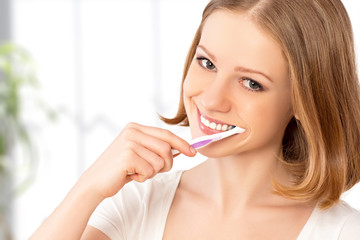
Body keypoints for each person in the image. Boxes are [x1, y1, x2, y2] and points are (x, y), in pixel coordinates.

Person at [30, 0, 360, 239]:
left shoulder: (343, 231)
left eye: (251, 83)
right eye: (207, 63)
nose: (212, 100)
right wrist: (87, 188)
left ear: (306, 100)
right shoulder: (138, 203)